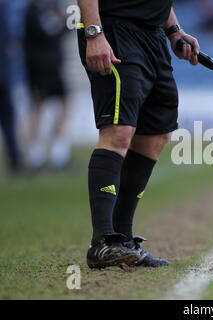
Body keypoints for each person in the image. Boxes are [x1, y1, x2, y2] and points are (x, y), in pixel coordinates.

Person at [77, 0, 200, 269]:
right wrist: (94, 33)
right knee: (119, 132)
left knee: (155, 136)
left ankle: (122, 239)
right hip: (115, 30)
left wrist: (174, 31)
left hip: (153, 36)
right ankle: (102, 242)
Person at [24, 0, 71, 170]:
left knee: (65, 104)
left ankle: (59, 153)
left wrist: (66, 22)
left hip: (55, 67)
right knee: (38, 107)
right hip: (39, 68)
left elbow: (64, 28)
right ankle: (34, 154)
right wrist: (62, 22)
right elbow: (47, 32)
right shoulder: (32, 10)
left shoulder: (53, 7)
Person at [0, 0, 21, 174]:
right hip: (3, 76)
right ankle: (15, 161)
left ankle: (15, 160)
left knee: (8, 120)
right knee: (8, 120)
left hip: (3, 76)